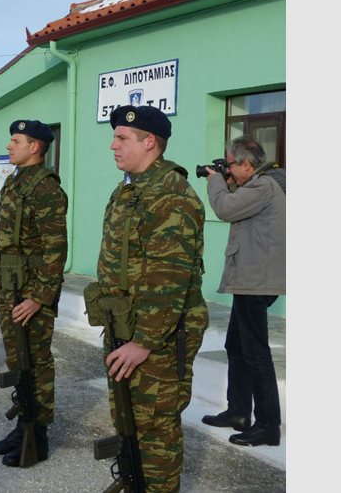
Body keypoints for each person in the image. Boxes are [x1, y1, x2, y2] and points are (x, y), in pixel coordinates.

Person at [90, 105, 208, 491]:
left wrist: (144, 341)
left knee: (155, 430)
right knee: (130, 421)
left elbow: (169, 279)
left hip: (156, 337)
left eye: (122, 138)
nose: (113, 145)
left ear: (149, 142)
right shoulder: (130, 190)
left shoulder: (171, 196)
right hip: (127, 325)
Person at [0, 119, 67, 467]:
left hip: (32, 292)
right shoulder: (16, 183)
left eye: (15, 140)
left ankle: (38, 435)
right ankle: (23, 426)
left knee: (36, 361)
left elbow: (54, 248)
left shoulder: (46, 189)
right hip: (12, 285)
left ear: (35, 147)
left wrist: (39, 297)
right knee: (18, 359)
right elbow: (7, 239)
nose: (9, 146)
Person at [201, 135, 285, 447]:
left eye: (232, 165)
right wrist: (225, 177)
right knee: (237, 345)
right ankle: (238, 412)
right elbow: (239, 197)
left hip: (255, 280)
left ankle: (267, 425)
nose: (230, 171)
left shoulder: (264, 186)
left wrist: (214, 181)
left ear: (247, 164)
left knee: (256, 353)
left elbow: (225, 207)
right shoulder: (260, 184)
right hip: (250, 279)